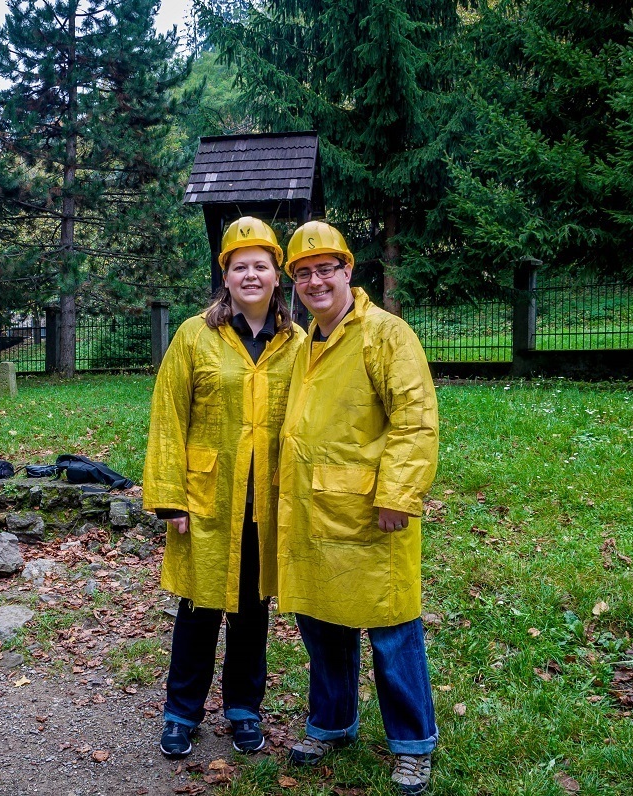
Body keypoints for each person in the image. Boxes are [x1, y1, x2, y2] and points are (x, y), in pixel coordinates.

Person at [276, 220, 440, 794]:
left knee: (391, 630)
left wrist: (399, 493)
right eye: (303, 273)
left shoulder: (385, 334)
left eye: (326, 269)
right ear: (293, 282)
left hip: (372, 512)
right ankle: (331, 722)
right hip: (313, 512)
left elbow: (415, 420)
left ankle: (413, 744)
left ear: (348, 270)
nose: (316, 281)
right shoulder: (304, 343)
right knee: (321, 624)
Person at [143, 216, 302, 759]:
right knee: (199, 607)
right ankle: (181, 713)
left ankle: (242, 709)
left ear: (277, 276)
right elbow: (168, 416)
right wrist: (169, 496)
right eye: (241, 267)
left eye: (261, 266)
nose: (251, 275)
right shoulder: (194, 335)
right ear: (226, 276)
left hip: (269, 499)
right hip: (207, 497)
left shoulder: (297, 343)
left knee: (253, 610)